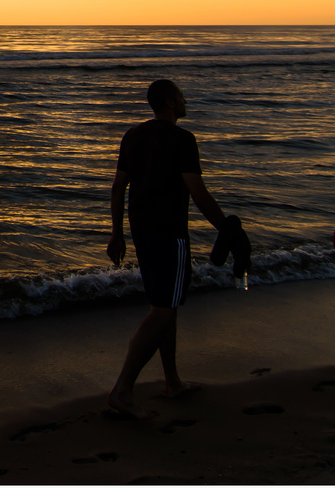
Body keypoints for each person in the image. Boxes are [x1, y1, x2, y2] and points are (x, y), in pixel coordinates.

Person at [105, 79, 231, 418]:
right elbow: (198, 192)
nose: (185, 99)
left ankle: (172, 381)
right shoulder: (182, 139)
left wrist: (117, 233)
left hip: (142, 231)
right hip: (170, 233)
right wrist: (227, 229)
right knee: (162, 311)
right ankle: (122, 389)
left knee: (166, 305)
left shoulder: (132, 135)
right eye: (181, 95)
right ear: (170, 103)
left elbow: (118, 187)